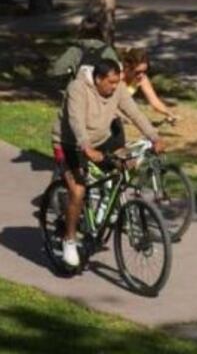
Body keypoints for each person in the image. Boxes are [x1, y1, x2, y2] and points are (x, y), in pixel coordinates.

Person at [51, 58, 160, 268]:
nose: (114, 86)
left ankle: (103, 214)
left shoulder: (117, 88)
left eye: (117, 82)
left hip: (100, 141)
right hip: (69, 144)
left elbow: (134, 113)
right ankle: (70, 240)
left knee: (127, 165)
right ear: (98, 78)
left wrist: (154, 137)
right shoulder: (78, 88)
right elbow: (75, 121)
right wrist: (86, 147)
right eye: (110, 82)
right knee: (78, 191)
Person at [119, 47, 178, 123]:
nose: (141, 75)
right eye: (137, 72)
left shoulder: (141, 79)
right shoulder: (116, 76)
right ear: (127, 67)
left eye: (144, 71)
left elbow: (155, 102)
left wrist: (169, 114)